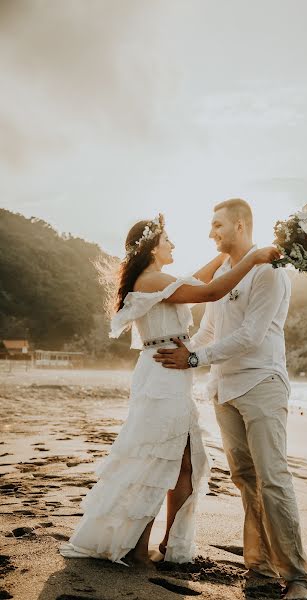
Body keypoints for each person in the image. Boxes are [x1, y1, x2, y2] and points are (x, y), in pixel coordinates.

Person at [59, 212, 280, 568]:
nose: (173, 244)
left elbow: (196, 281)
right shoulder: (150, 279)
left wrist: (229, 254)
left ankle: (166, 545)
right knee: (159, 459)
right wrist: (251, 258)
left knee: (186, 464)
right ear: (151, 248)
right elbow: (209, 291)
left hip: (171, 373)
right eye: (168, 240)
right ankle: (136, 546)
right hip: (163, 374)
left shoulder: (157, 279)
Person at [153, 200, 307, 599]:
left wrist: (194, 359)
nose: (212, 233)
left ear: (240, 226)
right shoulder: (224, 272)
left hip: (261, 384)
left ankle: (297, 577)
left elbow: (251, 337)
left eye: (217, 225)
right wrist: (182, 350)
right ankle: (258, 565)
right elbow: (210, 330)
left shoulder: (270, 272)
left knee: (273, 478)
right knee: (245, 479)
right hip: (224, 389)